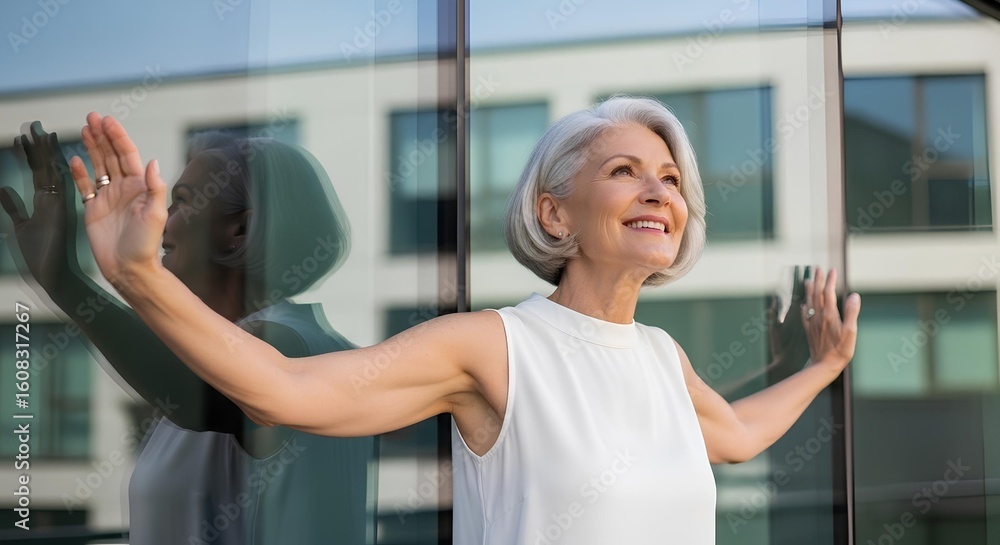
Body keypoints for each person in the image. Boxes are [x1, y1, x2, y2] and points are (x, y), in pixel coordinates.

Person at [69, 96, 861, 544]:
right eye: (624, 172)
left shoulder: (659, 355)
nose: (659, 191)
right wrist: (138, 275)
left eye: (669, 177)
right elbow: (285, 391)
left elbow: (736, 434)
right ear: (555, 211)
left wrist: (821, 365)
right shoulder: (493, 345)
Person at [2, 120, 374, 544]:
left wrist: (67, 280)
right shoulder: (217, 352)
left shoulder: (290, 344)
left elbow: (200, 399)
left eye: (180, 202)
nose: (161, 221)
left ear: (239, 230)